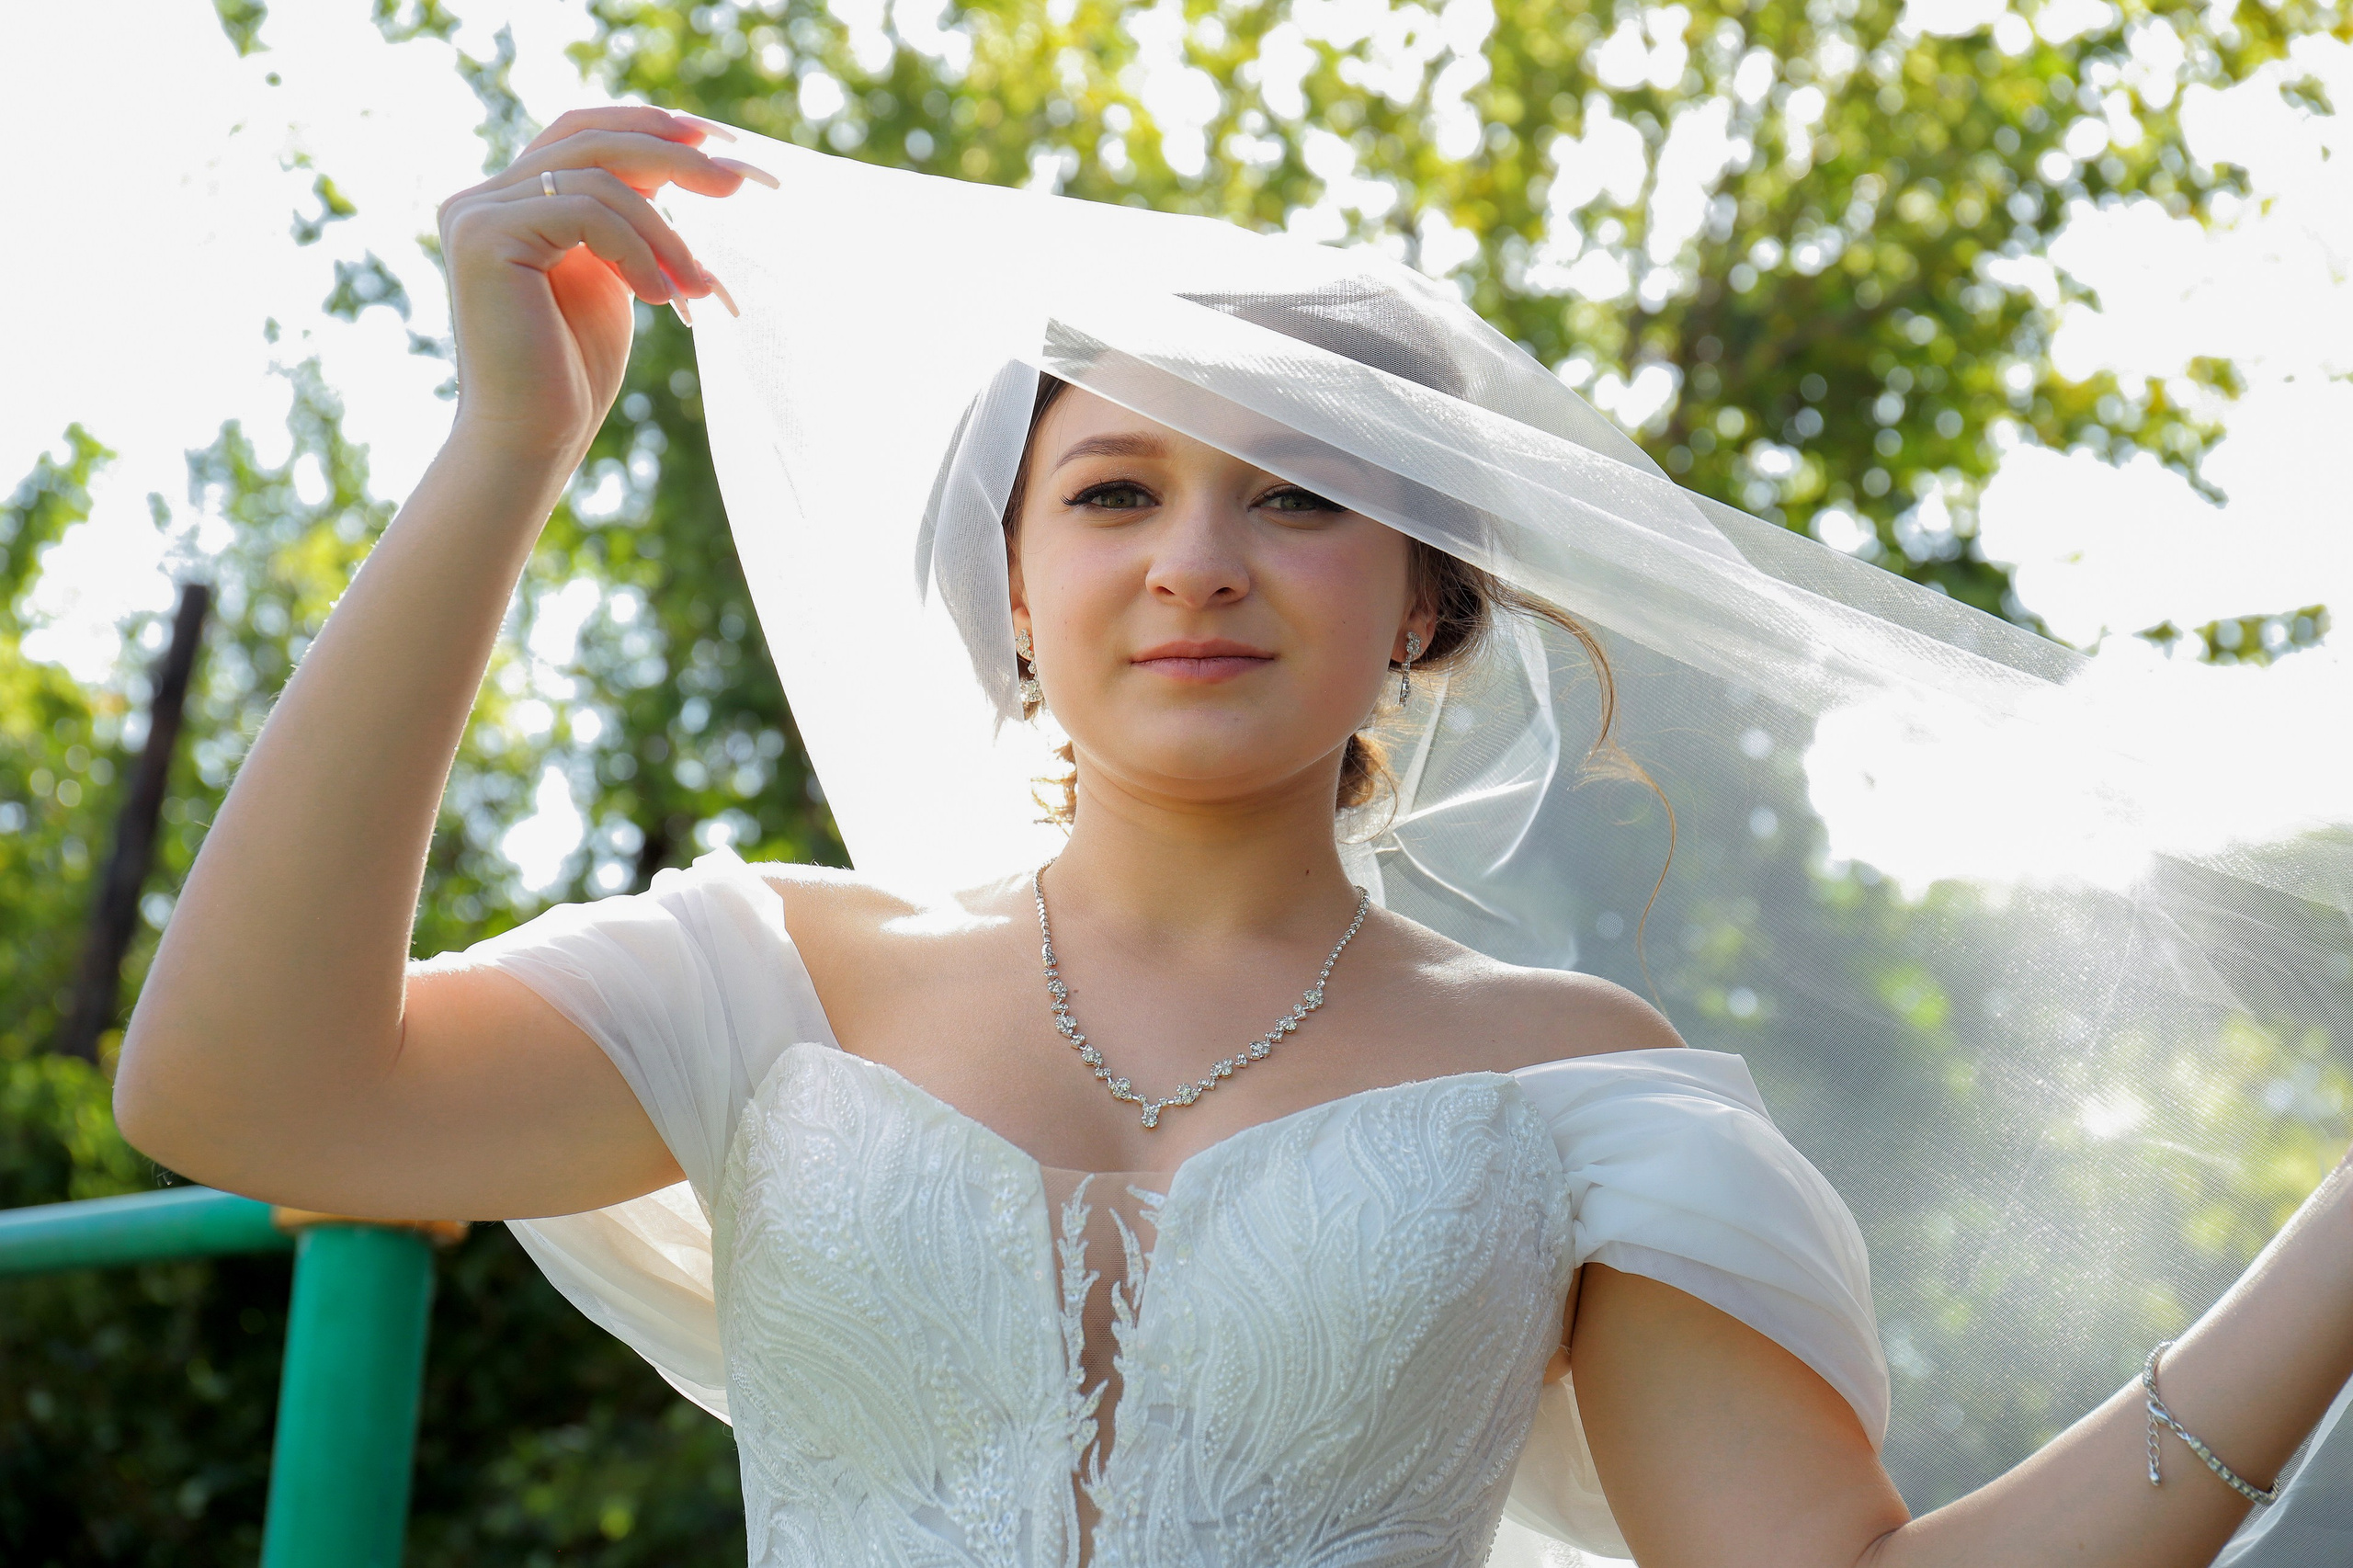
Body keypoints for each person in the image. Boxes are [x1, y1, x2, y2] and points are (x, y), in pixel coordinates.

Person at [113, 106, 2353, 1566]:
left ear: (1424, 599)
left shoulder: (1580, 1085)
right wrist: (513, 442)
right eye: (1113, 493)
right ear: (1009, 585)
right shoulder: (769, 982)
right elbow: (237, 1087)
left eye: (1297, 495)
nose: (1196, 559)